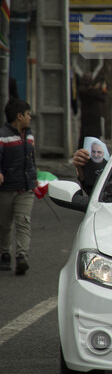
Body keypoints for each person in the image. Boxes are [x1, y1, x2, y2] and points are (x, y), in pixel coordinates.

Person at [0, 99, 37, 274]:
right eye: (28, 114)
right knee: (5, 225)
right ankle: (4, 254)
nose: (30, 117)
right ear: (19, 116)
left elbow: (32, 159)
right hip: (6, 189)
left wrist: (34, 177)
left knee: (23, 222)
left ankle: (22, 256)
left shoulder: (29, 135)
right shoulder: (3, 135)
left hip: (25, 187)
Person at [77, 73, 107, 148]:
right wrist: (103, 89)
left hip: (85, 116)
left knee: (84, 135)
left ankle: (81, 150)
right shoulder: (93, 92)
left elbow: (90, 91)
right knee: (94, 135)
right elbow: (102, 98)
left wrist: (95, 88)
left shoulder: (81, 91)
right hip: (94, 117)